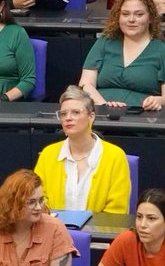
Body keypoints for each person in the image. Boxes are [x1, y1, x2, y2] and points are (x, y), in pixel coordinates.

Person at [80, 0, 165, 109]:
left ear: (150, 18)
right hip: (100, 113)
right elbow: (85, 84)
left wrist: (156, 101)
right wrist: (104, 105)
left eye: (139, 14)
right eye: (125, 14)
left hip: (142, 117)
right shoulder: (104, 42)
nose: (131, 20)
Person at [34, 86, 131, 215]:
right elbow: (38, 203)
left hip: (99, 233)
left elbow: (117, 212)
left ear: (91, 117)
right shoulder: (48, 154)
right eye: (63, 114)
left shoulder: (115, 156)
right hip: (54, 231)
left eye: (76, 112)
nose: (68, 118)